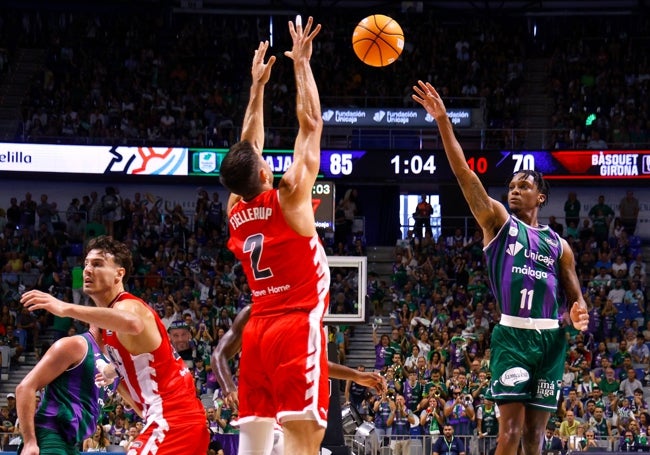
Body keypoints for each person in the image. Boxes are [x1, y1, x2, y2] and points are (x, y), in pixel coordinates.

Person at [412, 81, 589, 455]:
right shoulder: (498, 222)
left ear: (540, 196)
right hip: (513, 337)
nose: (514, 190)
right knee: (508, 434)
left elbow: (576, 299)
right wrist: (443, 121)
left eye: (523, 186)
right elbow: (463, 173)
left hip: (551, 341)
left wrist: (579, 313)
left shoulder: (560, 245)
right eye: (511, 185)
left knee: (534, 439)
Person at [217, 17, 328, 455]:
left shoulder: (234, 209)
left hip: (258, 330)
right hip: (295, 323)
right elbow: (312, 123)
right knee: (304, 441)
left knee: (254, 443)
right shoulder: (290, 197)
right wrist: (301, 63)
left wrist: (256, 88)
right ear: (264, 171)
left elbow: (247, 144)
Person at [20, 235, 210, 454]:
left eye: (98, 264)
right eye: (86, 264)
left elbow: (133, 323)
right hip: (176, 419)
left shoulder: (128, 306)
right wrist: (113, 372)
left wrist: (64, 308)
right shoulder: (109, 331)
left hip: (173, 419)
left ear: (120, 274)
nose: (87, 270)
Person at [15, 327, 107, 455]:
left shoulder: (115, 363)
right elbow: (24, 388)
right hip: (50, 435)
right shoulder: (76, 345)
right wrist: (29, 441)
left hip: (71, 443)